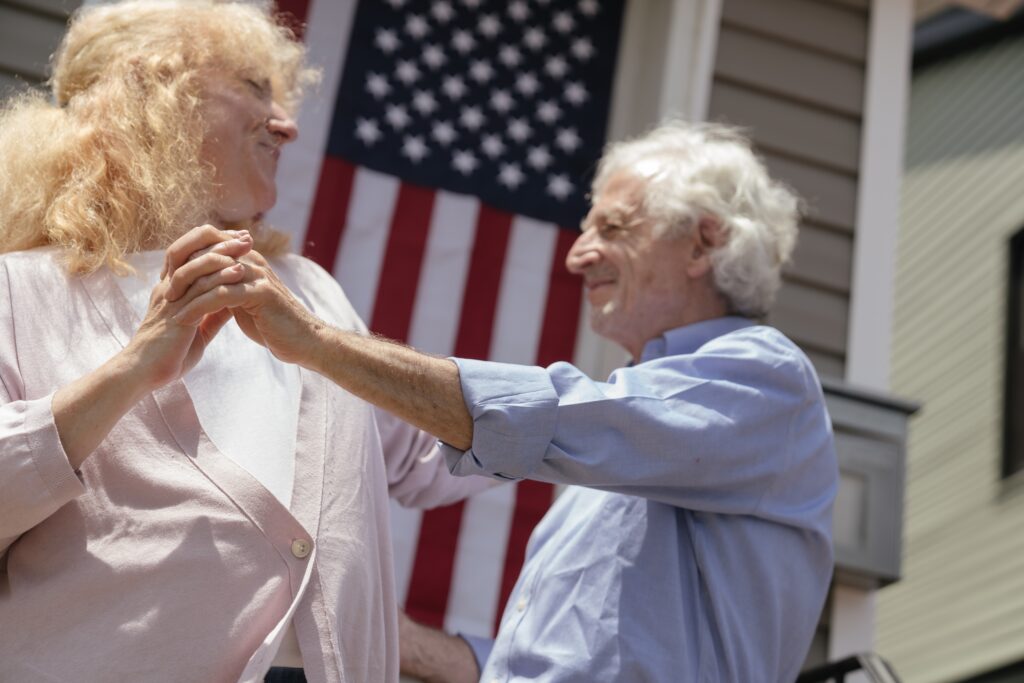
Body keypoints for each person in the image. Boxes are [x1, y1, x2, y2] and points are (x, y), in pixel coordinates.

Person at [168, 121, 839, 682]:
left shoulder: (765, 379)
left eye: (612, 226)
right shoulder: (640, 445)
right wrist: (401, 640)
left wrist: (313, 341)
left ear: (704, 243)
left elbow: (551, 416)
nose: (578, 255)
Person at [0, 2, 481, 681]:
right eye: (256, 87)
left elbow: (441, 447)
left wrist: (605, 419)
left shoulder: (309, 290)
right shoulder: (16, 291)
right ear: (155, 89)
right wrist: (136, 368)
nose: (286, 124)